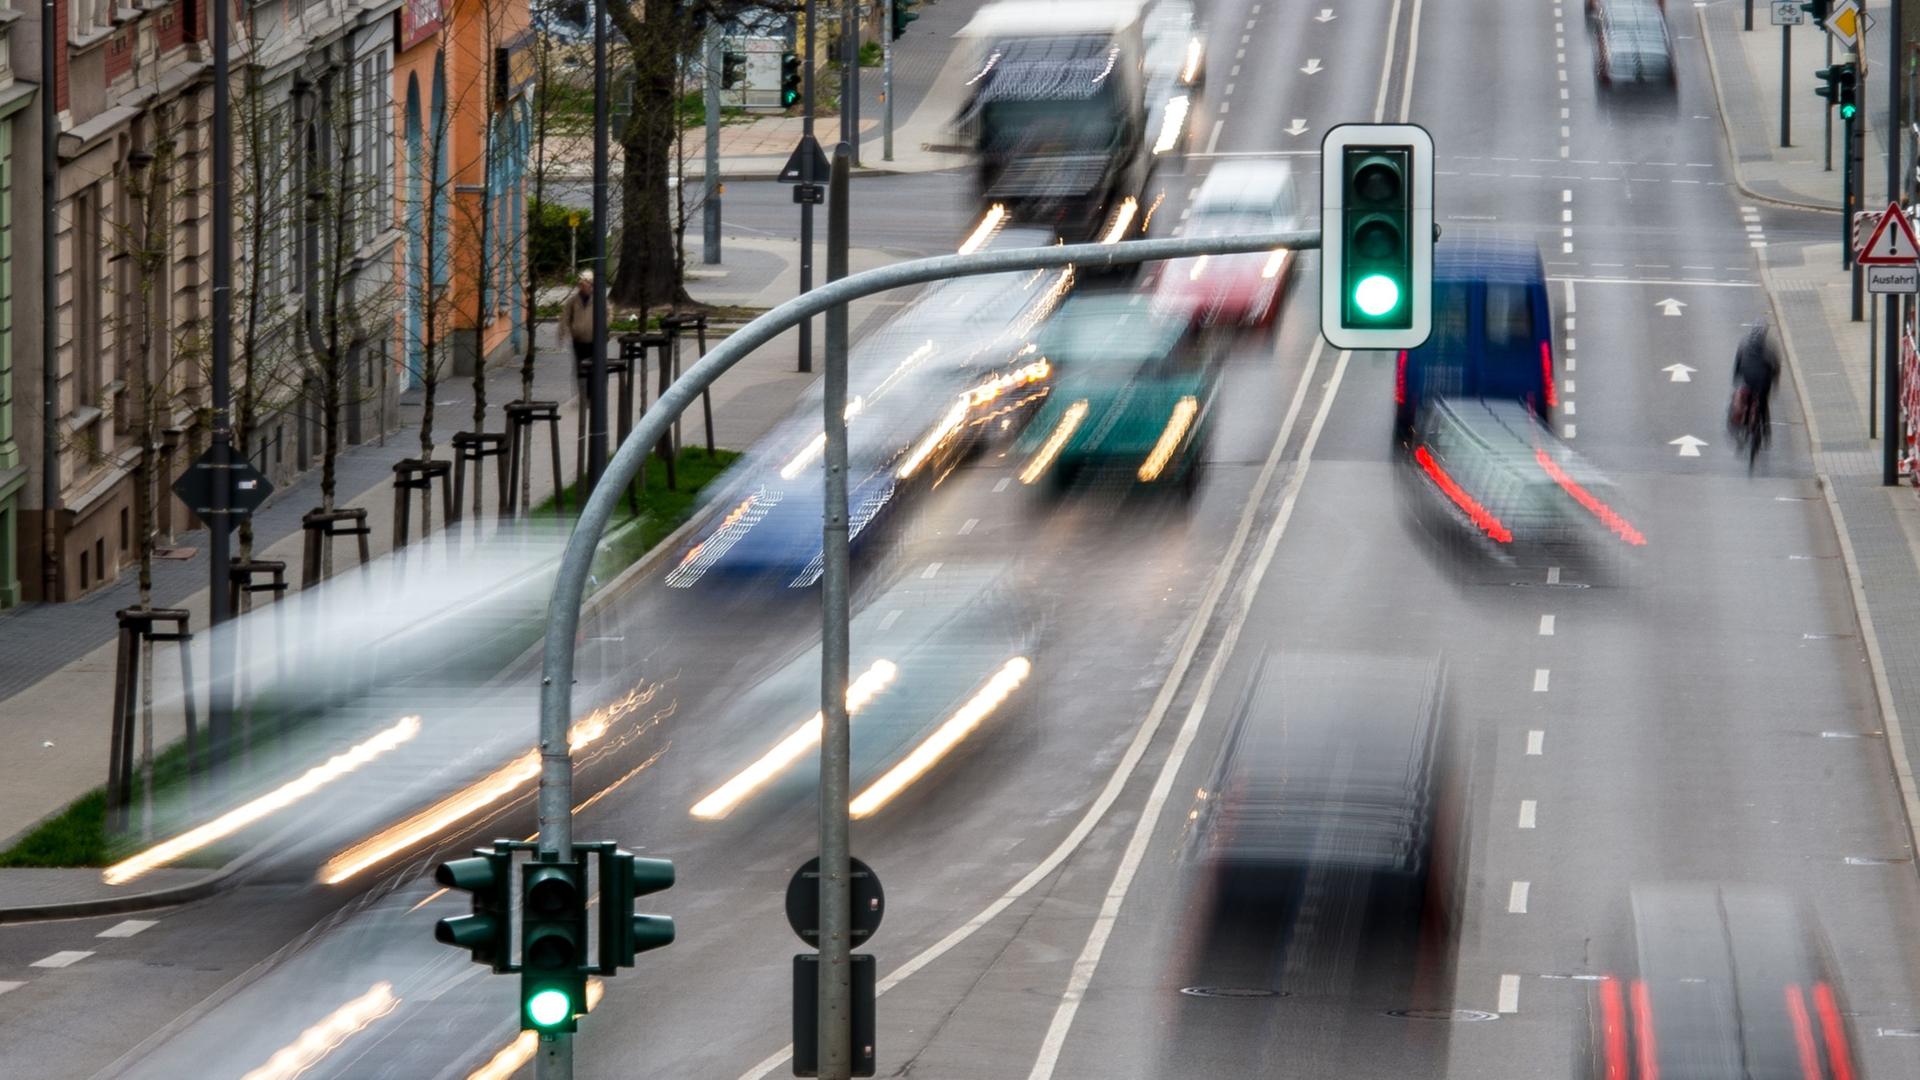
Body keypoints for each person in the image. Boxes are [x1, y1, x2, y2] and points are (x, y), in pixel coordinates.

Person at [1730, 320, 1780, 468]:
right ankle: (1765, 431)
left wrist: (1736, 378)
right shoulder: (1769, 349)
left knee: (1744, 397)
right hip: (1763, 382)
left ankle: (1742, 425)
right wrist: (1774, 382)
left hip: (1747, 379)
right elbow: (1775, 368)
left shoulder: (1744, 344)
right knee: (1763, 404)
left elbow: (1737, 364)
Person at [560, 270, 595, 364]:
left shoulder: (598, 299)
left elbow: (608, 313)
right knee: (580, 365)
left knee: (593, 366)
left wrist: (604, 326)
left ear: (590, 284)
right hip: (578, 338)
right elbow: (566, 316)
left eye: (585, 284)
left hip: (593, 338)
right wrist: (564, 332)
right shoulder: (573, 300)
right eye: (581, 284)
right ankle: (582, 377)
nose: (582, 287)